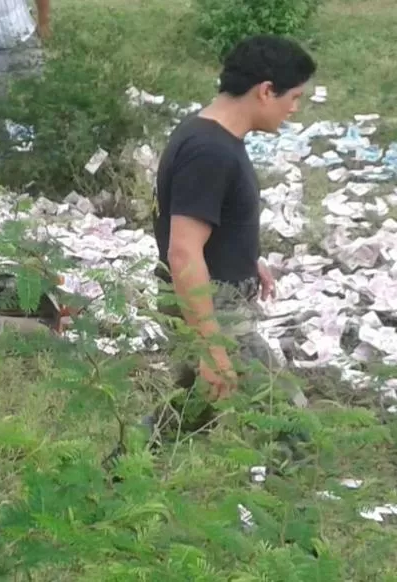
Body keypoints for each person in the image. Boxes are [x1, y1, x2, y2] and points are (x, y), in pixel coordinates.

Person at [152, 34, 317, 423]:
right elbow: (183, 250)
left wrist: (245, 259)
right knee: (288, 424)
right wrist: (212, 347)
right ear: (265, 91)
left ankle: (123, 474)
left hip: (209, 297)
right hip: (214, 307)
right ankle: (295, 481)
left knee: (191, 415)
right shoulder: (211, 151)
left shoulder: (206, 133)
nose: (294, 109)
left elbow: (206, 219)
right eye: (292, 98)